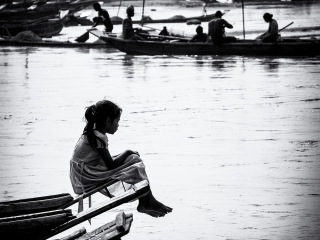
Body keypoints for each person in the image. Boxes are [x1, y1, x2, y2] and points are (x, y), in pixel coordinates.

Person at [70, 100, 172, 218]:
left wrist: (128, 155)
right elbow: (111, 165)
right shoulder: (98, 137)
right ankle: (147, 201)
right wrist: (127, 152)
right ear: (108, 121)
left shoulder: (94, 133)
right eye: (117, 121)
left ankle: (146, 201)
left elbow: (108, 162)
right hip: (85, 176)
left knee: (133, 159)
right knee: (133, 161)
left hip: (85, 171)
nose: (118, 125)